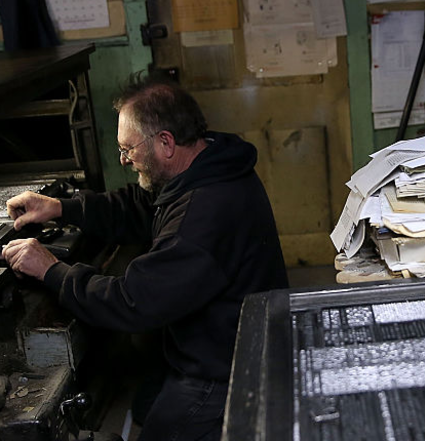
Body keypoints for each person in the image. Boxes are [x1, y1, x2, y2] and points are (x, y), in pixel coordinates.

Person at [2, 73, 289, 440]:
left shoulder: (203, 215)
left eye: (128, 149)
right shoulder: (209, 163)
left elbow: (132, 301)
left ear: (165, 143)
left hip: (225, 370)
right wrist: (61, 207)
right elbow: (142, 206)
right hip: (214, 343)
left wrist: (52, 270)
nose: (124, 160)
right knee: (145, 401)